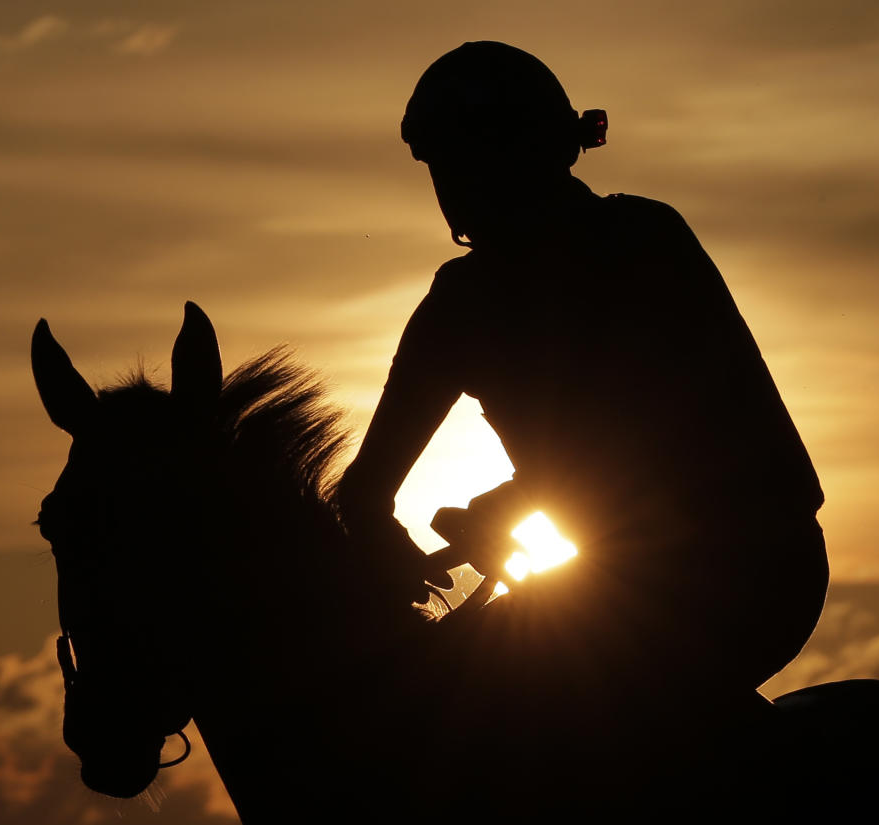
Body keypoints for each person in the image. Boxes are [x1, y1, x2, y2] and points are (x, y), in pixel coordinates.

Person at [337, 41, 828, 692]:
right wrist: (413, 535)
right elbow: (365, 493)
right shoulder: (475, 300)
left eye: (466, 160)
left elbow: (661, 442)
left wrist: (495, 505)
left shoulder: (635, 248)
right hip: (688, 580)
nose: (455, 187)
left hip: (745, 574)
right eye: (444, 166)